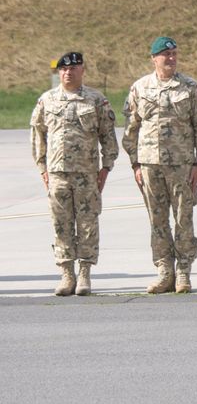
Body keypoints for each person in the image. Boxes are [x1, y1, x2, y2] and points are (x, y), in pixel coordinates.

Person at [122, 37, 197, 294]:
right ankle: (164, 272)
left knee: (184, 218)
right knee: (157, 220)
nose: (170, 58)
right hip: (150, 165)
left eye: (173, 53)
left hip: (182, 165)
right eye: (165, 54)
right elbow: (131, 129)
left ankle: (183, 272)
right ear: (154, 58)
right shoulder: (140, 88)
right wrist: (135, 165)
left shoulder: (191, 87)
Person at [31, 52, 118, 296]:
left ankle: (85, 275)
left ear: (82, 70)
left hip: (87, 174)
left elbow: (108, 136)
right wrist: (42, 169)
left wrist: (106, 168)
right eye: (63, 69)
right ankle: (66, 274)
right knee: (61, 224)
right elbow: (38, 136)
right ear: (59, 72)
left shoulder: (95, 100)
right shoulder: (47, 100)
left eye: (73, 68)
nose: (68, 72)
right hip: (57, 173)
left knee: (88, 224)